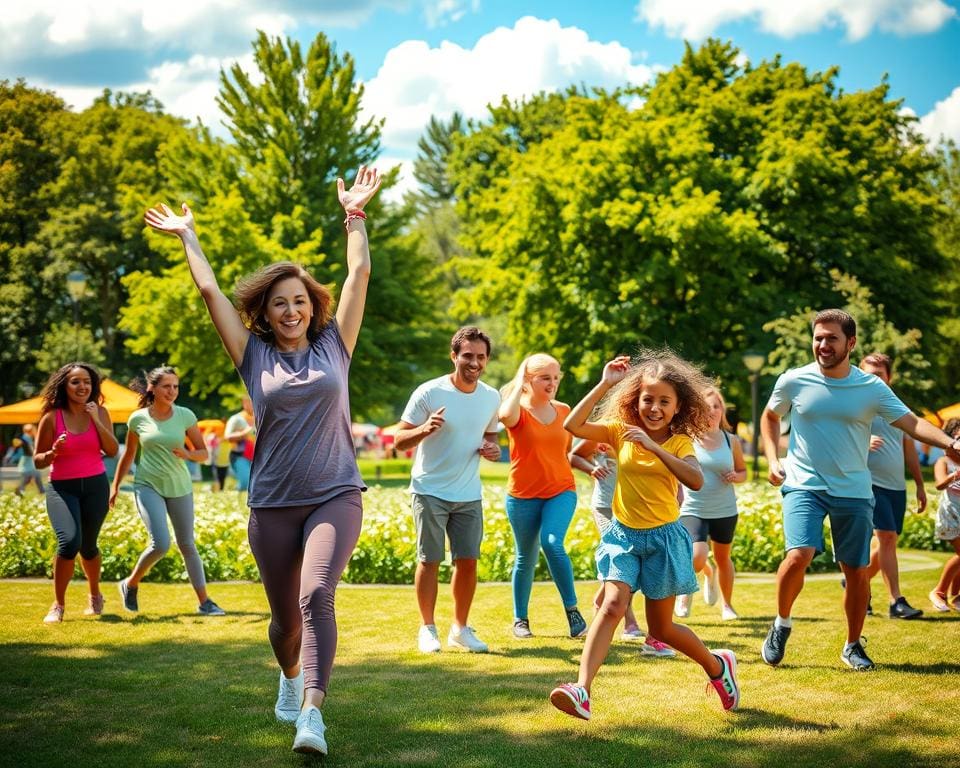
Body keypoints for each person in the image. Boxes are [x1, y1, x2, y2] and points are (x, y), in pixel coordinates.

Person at [143, 165, 381, 756]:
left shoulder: (336, 347)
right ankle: (288, 674)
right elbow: (210, 294)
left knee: (315, 595)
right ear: (266, 312)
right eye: (281, 303)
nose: (292, 310)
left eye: (300, 301)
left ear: (311, 306)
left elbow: (359, 273)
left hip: (335, 492)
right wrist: (188, 237)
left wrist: (355, 213)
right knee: (285, 623)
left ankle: (312, 716)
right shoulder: (252, 355)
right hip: (272, 499)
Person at [760, 309, 960, 671]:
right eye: (818, 337)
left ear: (850, 343)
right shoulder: (794, 380)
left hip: (853, 490)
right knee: (799, 554)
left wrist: (949, 443)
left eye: (831, 338)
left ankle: (852, 644)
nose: (823, 345)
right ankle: (781, 623)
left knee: (854, 569)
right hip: (804, 484)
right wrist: (774, 459)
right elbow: (771, 416)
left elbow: (912, 423)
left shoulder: (871, 388)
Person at [550, 351, 740, 721]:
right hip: (623, 535)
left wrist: (653, 446)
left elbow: (695, 480)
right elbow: (573, 426)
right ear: (635, 401)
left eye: (663, 401)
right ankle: (582, 691)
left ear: (677, 406)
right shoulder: (619, 431)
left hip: (664, 540)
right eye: (647, 399)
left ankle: (718, 667)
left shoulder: (681, 442)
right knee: (612, 605)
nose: (654, 407)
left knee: (662, 628)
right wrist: (606, 382)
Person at [395, 326, 501, 655]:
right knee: (430, 560)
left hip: (468, 492)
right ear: (454, 355)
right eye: (467, 355)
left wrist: (491, 448)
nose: (474, 362)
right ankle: (427, 629)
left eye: (480, 357)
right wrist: (425, 429)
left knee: (468, 561)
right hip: (430, 489)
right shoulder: (429, 392)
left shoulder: (491, 396)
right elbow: (399, 441)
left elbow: (491, 435)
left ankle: (461, 629)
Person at [110, 367, 224, 618]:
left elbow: (203, 454)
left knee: (187, 544)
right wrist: (115, 486)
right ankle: (132, 584)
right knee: (160, 543)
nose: (172, 391)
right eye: (166, 386)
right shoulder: (138, 419)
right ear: (153, 389)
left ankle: (205, 602)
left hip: (180, 487)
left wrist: (188, 454)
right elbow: (129, 454)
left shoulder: (185, 415)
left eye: (175, 386)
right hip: (148, 485)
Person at [499, 354, 587, 639]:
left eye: (556, 377)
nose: (552, 383)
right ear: (529, 379)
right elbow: (504, 416)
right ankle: (520, 619)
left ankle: (573, 612)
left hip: (560, 490)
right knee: (525, 557)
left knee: (552, 542)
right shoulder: (518, 411)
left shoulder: (564, 411)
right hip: (522, 495)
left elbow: (566, 452)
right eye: (545, 377)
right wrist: (522, 372)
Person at [569, 438, 676, 657]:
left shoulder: (648, 432)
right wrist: (593, 468)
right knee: (623, 561)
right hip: (606, 507)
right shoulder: (607, 429)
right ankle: (630, 622)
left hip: (635, 510)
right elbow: (574, 456)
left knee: (629, 565)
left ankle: (603, 604)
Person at [32, 363, 119, 623]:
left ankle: (95, 595)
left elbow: (113, 450)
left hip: (95, 486)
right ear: (64, 386)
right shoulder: (51, 417)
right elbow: (38, 460)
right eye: (75, 382)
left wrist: (95, 419)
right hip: (62, 487)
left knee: (89, 546)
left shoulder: (101, 412)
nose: (82, 387)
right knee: (69, 542)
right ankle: (57, 604)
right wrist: (52, 453)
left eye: (87, 382)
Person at [859, 353, 927, 619]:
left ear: (889, 377)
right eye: (867, 374)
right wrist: (863, 443)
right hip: (868, 483)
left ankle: (857, 583)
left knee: (888, 541)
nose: (873, 379)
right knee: (886, 538)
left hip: (896, 487)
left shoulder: (899, 408)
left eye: (878, 374)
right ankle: (896, 601)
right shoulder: (857, 407)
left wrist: (920, 485)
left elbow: (908, 447)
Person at [676, 386, 746, 621]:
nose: (712, 412)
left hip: (724, 509)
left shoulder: (731, 440)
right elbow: (677, 469)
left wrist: (737, 476)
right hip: (693, 507)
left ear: (722, 410)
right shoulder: (687, 439)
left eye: (716, 406)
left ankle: (727, 605)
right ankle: (686, 593)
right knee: (697, 554)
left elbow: (743, 471)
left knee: (723, 558)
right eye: (706, 408)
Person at [930, 418, 960, 613]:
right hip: (951, 514)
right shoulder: (944, 461)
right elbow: (939, 484)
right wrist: (955, 475)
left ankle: (956, 596)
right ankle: (939, 592)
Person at [225, 397, 256, 492]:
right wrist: (244, 433)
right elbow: (227, 437)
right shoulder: (236, 419)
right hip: (240, 456)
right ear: (244, 402)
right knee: (245, 482)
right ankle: (234, 496)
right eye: (249, 401)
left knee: (255, 485)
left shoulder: (260, 417)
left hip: (258, 457)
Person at [15, 424, 45, 495]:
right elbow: (31, 451)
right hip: (27, 462)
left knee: (31, 477)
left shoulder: (26, 438)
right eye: (34, 430)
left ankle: (19, 491)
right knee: (31, 477)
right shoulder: (25, 439)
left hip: (28, 462)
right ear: (30, 431)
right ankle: (20, 490)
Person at [204, 424, 232, 492]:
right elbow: (210, 446)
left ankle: (221, 489)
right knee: (216, 475)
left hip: (225, 460)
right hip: (215, 460)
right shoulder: (212, 437)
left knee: (223, 475)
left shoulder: (226, 437)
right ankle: (216, 488)